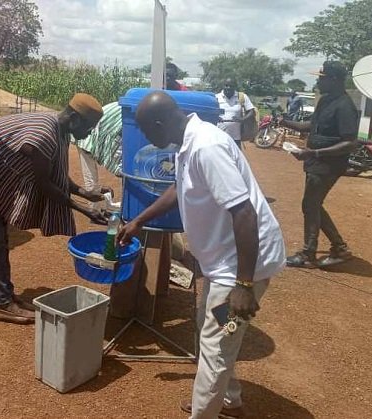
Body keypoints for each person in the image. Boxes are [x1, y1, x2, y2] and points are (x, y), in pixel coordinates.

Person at [116, 91, 285, 419]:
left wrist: (245, 285)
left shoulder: (207, 147)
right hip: (223, 263)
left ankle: (207, 410)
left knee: (216, 345)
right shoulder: (187, 142)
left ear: (161, 124)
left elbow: (244, 213)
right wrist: (139, 221)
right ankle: (230, 400)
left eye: (147, 131)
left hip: (241, 267)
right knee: (218, 333)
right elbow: (178, 188)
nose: (146, 138)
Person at [0, 93, 108, 324]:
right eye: (89, 126)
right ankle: (2, 304)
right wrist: (83, 209)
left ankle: (5, 294)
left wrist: (83, 192)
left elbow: (55, 174)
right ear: (74, 118)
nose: (90, 132)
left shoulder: (59, 130)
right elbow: (45, 185)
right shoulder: (45, 135)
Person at [279, 61, 358, 268]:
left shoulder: (345, 106)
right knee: (312, 205)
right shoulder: (325, 101)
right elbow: (311, 125)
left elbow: (350, 142)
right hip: (316, 163)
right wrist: (286, 122)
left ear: (333, 80)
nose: (317, 81)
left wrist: (313, 152)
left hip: (329, 165)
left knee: (310, 204)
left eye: (321, 78)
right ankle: (338, 248)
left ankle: (309, 253)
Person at [73, 101, 122, 210]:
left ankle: (94, 209)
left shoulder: (129, 109)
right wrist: (119, 169)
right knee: (91, 178)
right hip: (89, 135)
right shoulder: (132, 116)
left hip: (93, 131)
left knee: (91, 177)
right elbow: (116, 145)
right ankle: (93, 211)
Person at [215, 79, 255, 149]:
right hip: (219, 137)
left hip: (236, 138)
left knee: (236, 159)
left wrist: (242, 119)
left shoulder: (242, 97)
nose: (228, 88)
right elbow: (210, 112)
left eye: (231, 86)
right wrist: (215, 117)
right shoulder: (216, 97)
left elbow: (252, 112)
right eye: (226, 85)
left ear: (235, 86)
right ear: (223, 86)